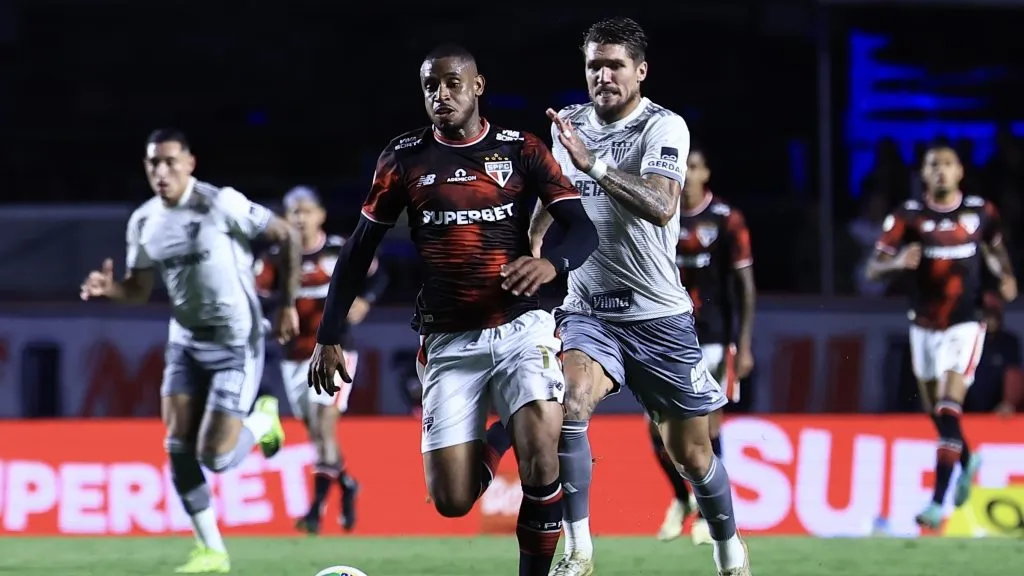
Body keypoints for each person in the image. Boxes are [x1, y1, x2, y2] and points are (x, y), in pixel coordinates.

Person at [307, 44, 599, 576]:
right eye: (430, 87)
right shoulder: (404, 159)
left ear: (477, 86)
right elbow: (357, 251)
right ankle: (502, 433)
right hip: (448, 339)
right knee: (452, 500)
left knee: (541, 456)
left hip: (520, 327)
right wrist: (328, 335)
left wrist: (550, 264)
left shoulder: (521, 150)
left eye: (452, 84)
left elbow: (582, 229)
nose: (441, 95)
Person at [529, 17, 750, 576]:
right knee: (569, 404)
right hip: (588, 309)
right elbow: (554, 197)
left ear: (641, 71)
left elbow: (661, 204)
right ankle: (578, 549)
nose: (603, 76)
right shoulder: (569, 126)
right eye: (594, 66)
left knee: (692, 456)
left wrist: (595, 164)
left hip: (658, 316)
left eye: (615, 66)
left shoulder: (663, 126)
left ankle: (729, 550)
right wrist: (529, 245)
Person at [79, 128, 298, 573]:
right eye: (153, 164)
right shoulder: (144, 221)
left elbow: (287, 236)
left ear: (190, 163)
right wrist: (110, 290)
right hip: (185, 340)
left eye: (169, 162)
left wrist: (286, 304)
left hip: (236, 341)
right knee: (177, 444)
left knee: (214, 457)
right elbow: (139, 289)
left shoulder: (221, 203)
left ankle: (262, 420)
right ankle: (212, 551)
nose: (161, 172)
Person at [867, 143, 1018, 530]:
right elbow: (872, 268)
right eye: (933, 165)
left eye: (947, 164)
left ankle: (937, 503)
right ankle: (966, 458)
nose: (940, 171)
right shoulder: (908, 216)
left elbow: (996, 250)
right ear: (923, 173)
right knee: (936, 412)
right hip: (923, 326)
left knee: (950, 406)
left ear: (960, 172)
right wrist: (898, 262)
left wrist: (1006, 277)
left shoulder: (981, 212)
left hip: (966, 324)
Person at [255, 186, 388, 534]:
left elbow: (379, 274)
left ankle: (315, 510)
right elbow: (258, 296)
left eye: (307, 211)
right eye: (294, 212)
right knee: (315, 432)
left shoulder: (339, 249)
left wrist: (366, 300)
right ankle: (346, 484)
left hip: (334, 351)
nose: (300, 219)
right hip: (293, 357)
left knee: (323, 423)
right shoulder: (276, 257)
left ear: (321, 215)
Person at [652, 147, 756, 545]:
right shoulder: (658, 213)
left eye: (693, 166)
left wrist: (744, 343)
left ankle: (707, 517)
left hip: (713, 338)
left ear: (706, 173)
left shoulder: (726, 219)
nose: (686, 173)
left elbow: (745, 285)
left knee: (708, 429)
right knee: (656, 430)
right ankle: (682, 499)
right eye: (681, 166)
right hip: (665, 336)